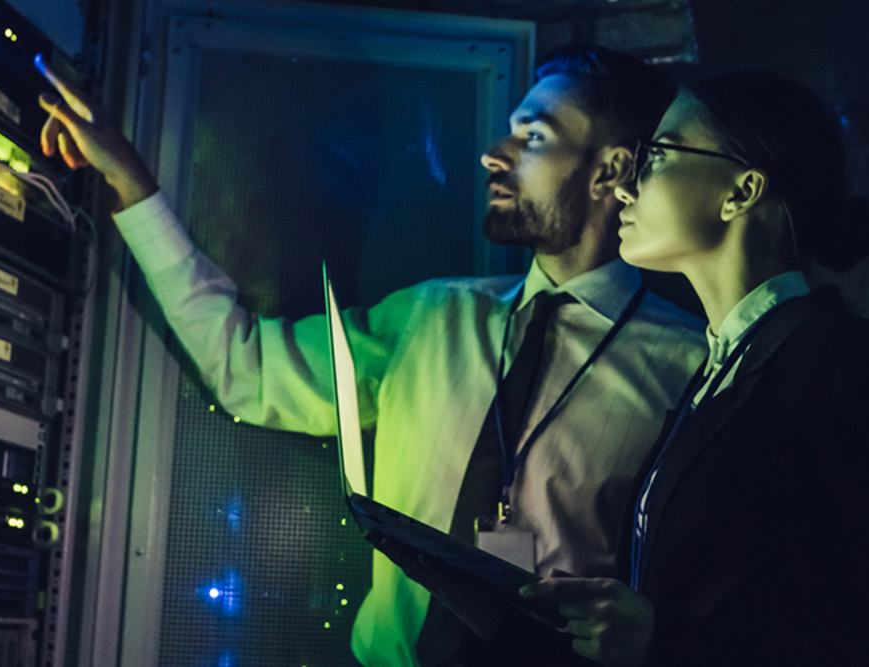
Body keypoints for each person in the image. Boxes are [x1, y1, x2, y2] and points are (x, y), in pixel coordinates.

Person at [35, 48, 707, 665]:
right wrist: (132, 185)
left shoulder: (693, 367)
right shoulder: (429, 317)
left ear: (612, 169)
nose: (493, 155)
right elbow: (246, 370)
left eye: (533, 137)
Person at [520, 70, 869, 666]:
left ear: (741, 190)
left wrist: (664, 641)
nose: (623, 189)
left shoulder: (854, 364)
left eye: (658, 155)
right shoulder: (714, 374)